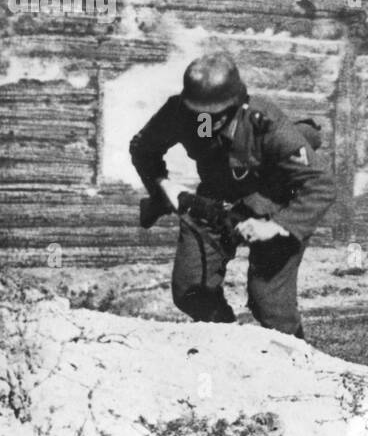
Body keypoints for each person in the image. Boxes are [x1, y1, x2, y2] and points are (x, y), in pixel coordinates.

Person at [129, 53, 336, 339]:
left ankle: (297, 367)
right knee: (191, 289)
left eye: (215, 114)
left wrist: (279, 226)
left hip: (274, 204)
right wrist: (163, 186)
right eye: (197, 111)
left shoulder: (266, 123)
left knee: (269, 304)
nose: (204, 120)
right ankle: (228, 346)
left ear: (236, 105)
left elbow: (320, 184)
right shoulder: (180, 112)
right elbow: (144, 149)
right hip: (215, 202)